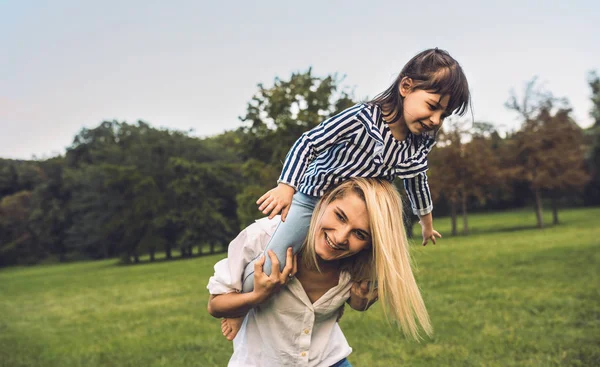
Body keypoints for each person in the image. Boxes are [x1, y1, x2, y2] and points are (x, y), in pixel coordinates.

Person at [243, 47, 471, 293]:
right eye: (432, 106)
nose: (435, 120)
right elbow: (310, 142)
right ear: (406, 87)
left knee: (379, 272)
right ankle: (239, 301)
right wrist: (287, 186)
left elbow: (417, 181)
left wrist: (426, 223)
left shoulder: (419, 143)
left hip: (360, 217)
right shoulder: (362, 118)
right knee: (274, 262)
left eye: (443, 115)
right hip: (313, 201)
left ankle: (351, 297)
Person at [207, 178, 432, 367]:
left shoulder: (359, 264)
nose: (341, 237)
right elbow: (215, 305)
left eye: (360, 234)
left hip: (330, 361)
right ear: (323, 201)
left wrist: (359, 303)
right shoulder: (263, 238)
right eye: (340, 216)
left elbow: (355, 301)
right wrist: (256, 297)